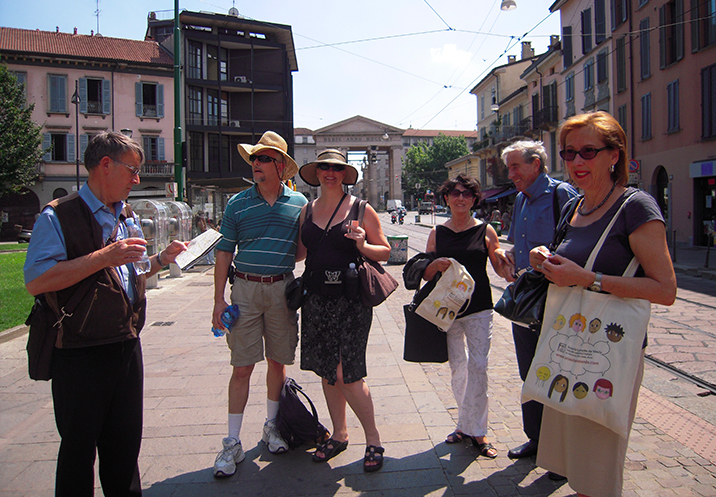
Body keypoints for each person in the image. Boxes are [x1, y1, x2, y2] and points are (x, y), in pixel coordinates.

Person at [23, 131, 187, 496]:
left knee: (125, 450)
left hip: (126, 345)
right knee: (79, 452)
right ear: (105, 165)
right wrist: (105, 256)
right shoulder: (58, 216)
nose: (137, 179)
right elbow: (37, 280)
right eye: (132, 170)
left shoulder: (125, 214)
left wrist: (161, 260)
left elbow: (128, 273)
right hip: (80, 352)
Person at [529, 111, 676, 496]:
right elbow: (574, 265)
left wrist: (587, 279)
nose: (577, 162)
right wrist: (547, 261)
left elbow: (665, 290)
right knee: (577, 465)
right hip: (568, 347)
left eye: (588, 152)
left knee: (597, 466)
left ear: (615, 155)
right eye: (569, 153)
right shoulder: (573, 207)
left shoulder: (636, 207)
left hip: (609, 354)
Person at [211, 131, 308, 477]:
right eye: (255, 158)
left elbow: (301, 250)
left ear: (281, 167)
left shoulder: (299, 205)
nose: (256, 163)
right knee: (242, 366)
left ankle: (271, 426)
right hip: (246, 292)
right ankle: (232, 443)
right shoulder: (238, 204)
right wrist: (218, 300)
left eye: (265, 158)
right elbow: (224, 253)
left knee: (278, 363)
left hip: (281, 289)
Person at [297, 149, 390, 472]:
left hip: (350, 301)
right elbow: (298, 253)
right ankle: (339, 433)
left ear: (345, 173)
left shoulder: (361, 209)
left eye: (337, 168)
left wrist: (363, 244)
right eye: (324, 167)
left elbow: (385, 251)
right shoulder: (306, 210)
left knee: (346, 373)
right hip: (316, 299)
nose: (330, 173)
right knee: (327, 370)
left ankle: (374, 439)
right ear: (317, 172)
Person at [497, 140, 578, 464]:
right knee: (530, 371)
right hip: (525, 299)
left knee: (557, 372)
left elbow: (578, 249)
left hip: (557, 299)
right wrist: (507, 258)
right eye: (510, 167)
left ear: (536, 165)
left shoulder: (562, 196)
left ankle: (561, 451)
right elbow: (516, 243)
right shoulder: (519, 199)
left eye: (516, 166)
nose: (511, 174)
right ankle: (537, 439)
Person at [422, 173, 510, 459]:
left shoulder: (485, 231)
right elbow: (424, 270)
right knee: (458, 368)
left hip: (479, 307)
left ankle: (479, 430)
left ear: (474, 200)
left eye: (467, 194)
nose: (461, 198)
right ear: (446, 198)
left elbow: (499, 265)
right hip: (447, 311)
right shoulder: (437, 233)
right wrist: (435, 264)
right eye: (455, 193)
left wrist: (509, 264)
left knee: (480, 366)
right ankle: (464, 424)